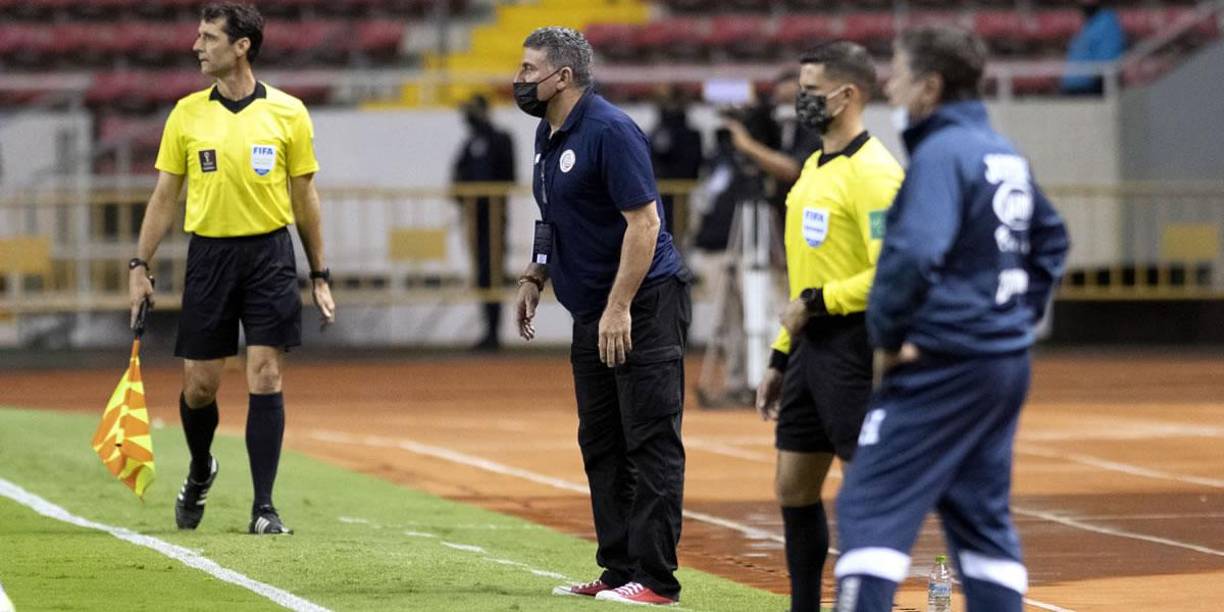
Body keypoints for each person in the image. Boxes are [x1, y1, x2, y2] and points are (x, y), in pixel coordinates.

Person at [833, 26, 1069, 612]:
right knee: (980, 516)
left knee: (870, 504)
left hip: (945, 361)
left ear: (930, 87)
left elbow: (912, 254)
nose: (891, 85)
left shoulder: (941, 154)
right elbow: (1053, 240)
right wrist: (1012, 319)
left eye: (901, 74)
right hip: (1001, 362)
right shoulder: (1001, 150)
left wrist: (888, 337)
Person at [127, 2, 335, 536]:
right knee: (199, 386)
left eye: (208, 37)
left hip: (269, 255)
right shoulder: (186, 113)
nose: (197, 46)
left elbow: (305, 195)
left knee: (264, 373)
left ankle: (263, 508)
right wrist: (139, 264)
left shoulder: (289, 112)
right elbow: (165, 195)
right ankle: (201, 467)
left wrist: (320, 272)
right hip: (209, 257)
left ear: (241, 45)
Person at [510, 26, 690, 607]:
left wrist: (618, 307)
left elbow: (645, 223)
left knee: (650, 440)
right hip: (593, 309)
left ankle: (657, 581)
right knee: (603, 443)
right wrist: (536, 274)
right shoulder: (548, 131)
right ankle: (618, 569)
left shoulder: (611, 131)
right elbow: (550, 214)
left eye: (528, 69)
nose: (519, 80)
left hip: (642, 305)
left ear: (562, 77)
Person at [752, 42, 904, 612]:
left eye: (811, 90)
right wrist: (778, 356)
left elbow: (891, 272)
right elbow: (803, 279)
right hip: (809, 346)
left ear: (848, 95)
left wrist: (819, 302)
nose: (800, 99)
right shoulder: (814, 167)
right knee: (793, 486)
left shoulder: (875, 173)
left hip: (853, 344)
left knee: (865, 491)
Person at [451, 94, 517, 351]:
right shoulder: (469, 143)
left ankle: (494, 331)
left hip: (494, 217)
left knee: (493, 272)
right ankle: (489, 331)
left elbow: (508, 174)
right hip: (474, 219)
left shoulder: (500, 139)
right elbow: (457, 173)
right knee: (481, 273)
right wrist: (463, 198)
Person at [649, 87, 703, 235]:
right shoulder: (660, 130)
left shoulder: (689, 134)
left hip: (681, 189)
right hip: (662, 190)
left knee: (678, 229)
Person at [1059, 0, 1126, 95]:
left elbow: (1107, 62)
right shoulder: (1086, 25)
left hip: (1089, 91)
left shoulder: (1107, 23)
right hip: (1072, 88)